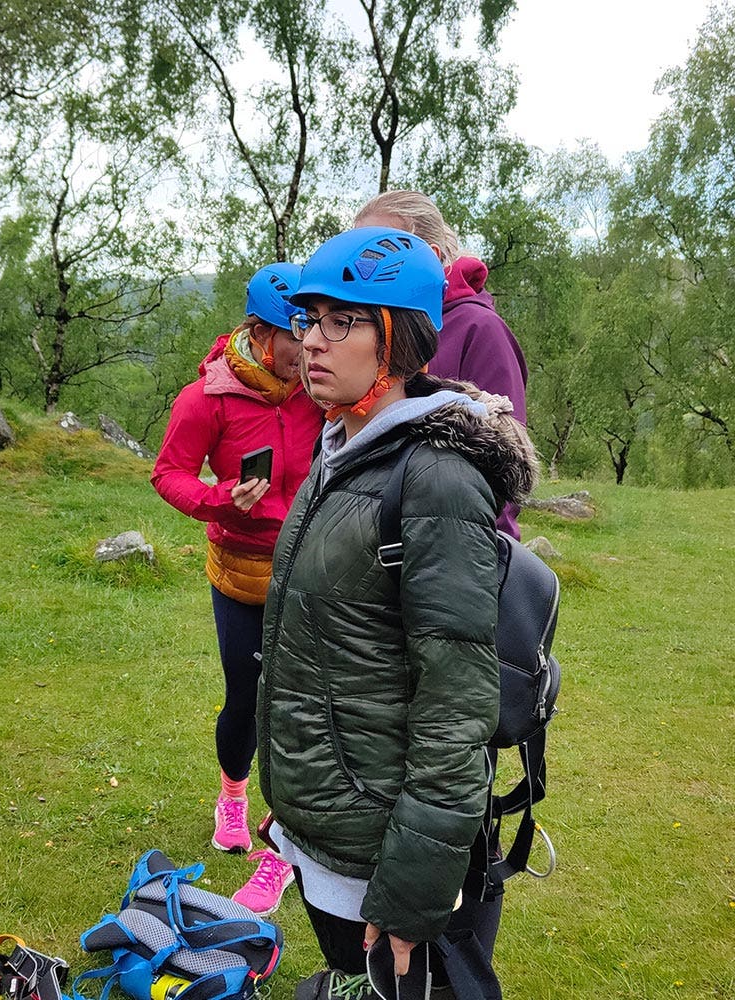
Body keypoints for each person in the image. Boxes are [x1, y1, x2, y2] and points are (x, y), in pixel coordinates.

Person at [255, 227, 537, 998]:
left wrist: (417, 881)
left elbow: (456, 700)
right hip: (335, 823)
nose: (312, 340)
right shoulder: (341, 448)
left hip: (389, 844)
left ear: (397, 336)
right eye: (308, 318)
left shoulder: (436, 477)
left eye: (342, 321)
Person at [151, 263, 324, 915]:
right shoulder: (207, 399)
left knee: (297, 709)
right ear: (259, 331)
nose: (307, 349)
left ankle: (278, 845)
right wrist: (219, 501)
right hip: (242, 577)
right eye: (295, 335)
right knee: (245, 701)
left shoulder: (321, 390)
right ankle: (232, 795)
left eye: (314, 331)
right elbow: (168, 474)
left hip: (312, 578)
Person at [354, 190, 529, 539]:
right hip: (384, 534)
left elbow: (505, 458)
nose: (367, 266)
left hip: (457, 540)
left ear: (431, 257)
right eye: (362, 252)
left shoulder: (480, 330)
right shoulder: (374, 328)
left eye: (382, 249)